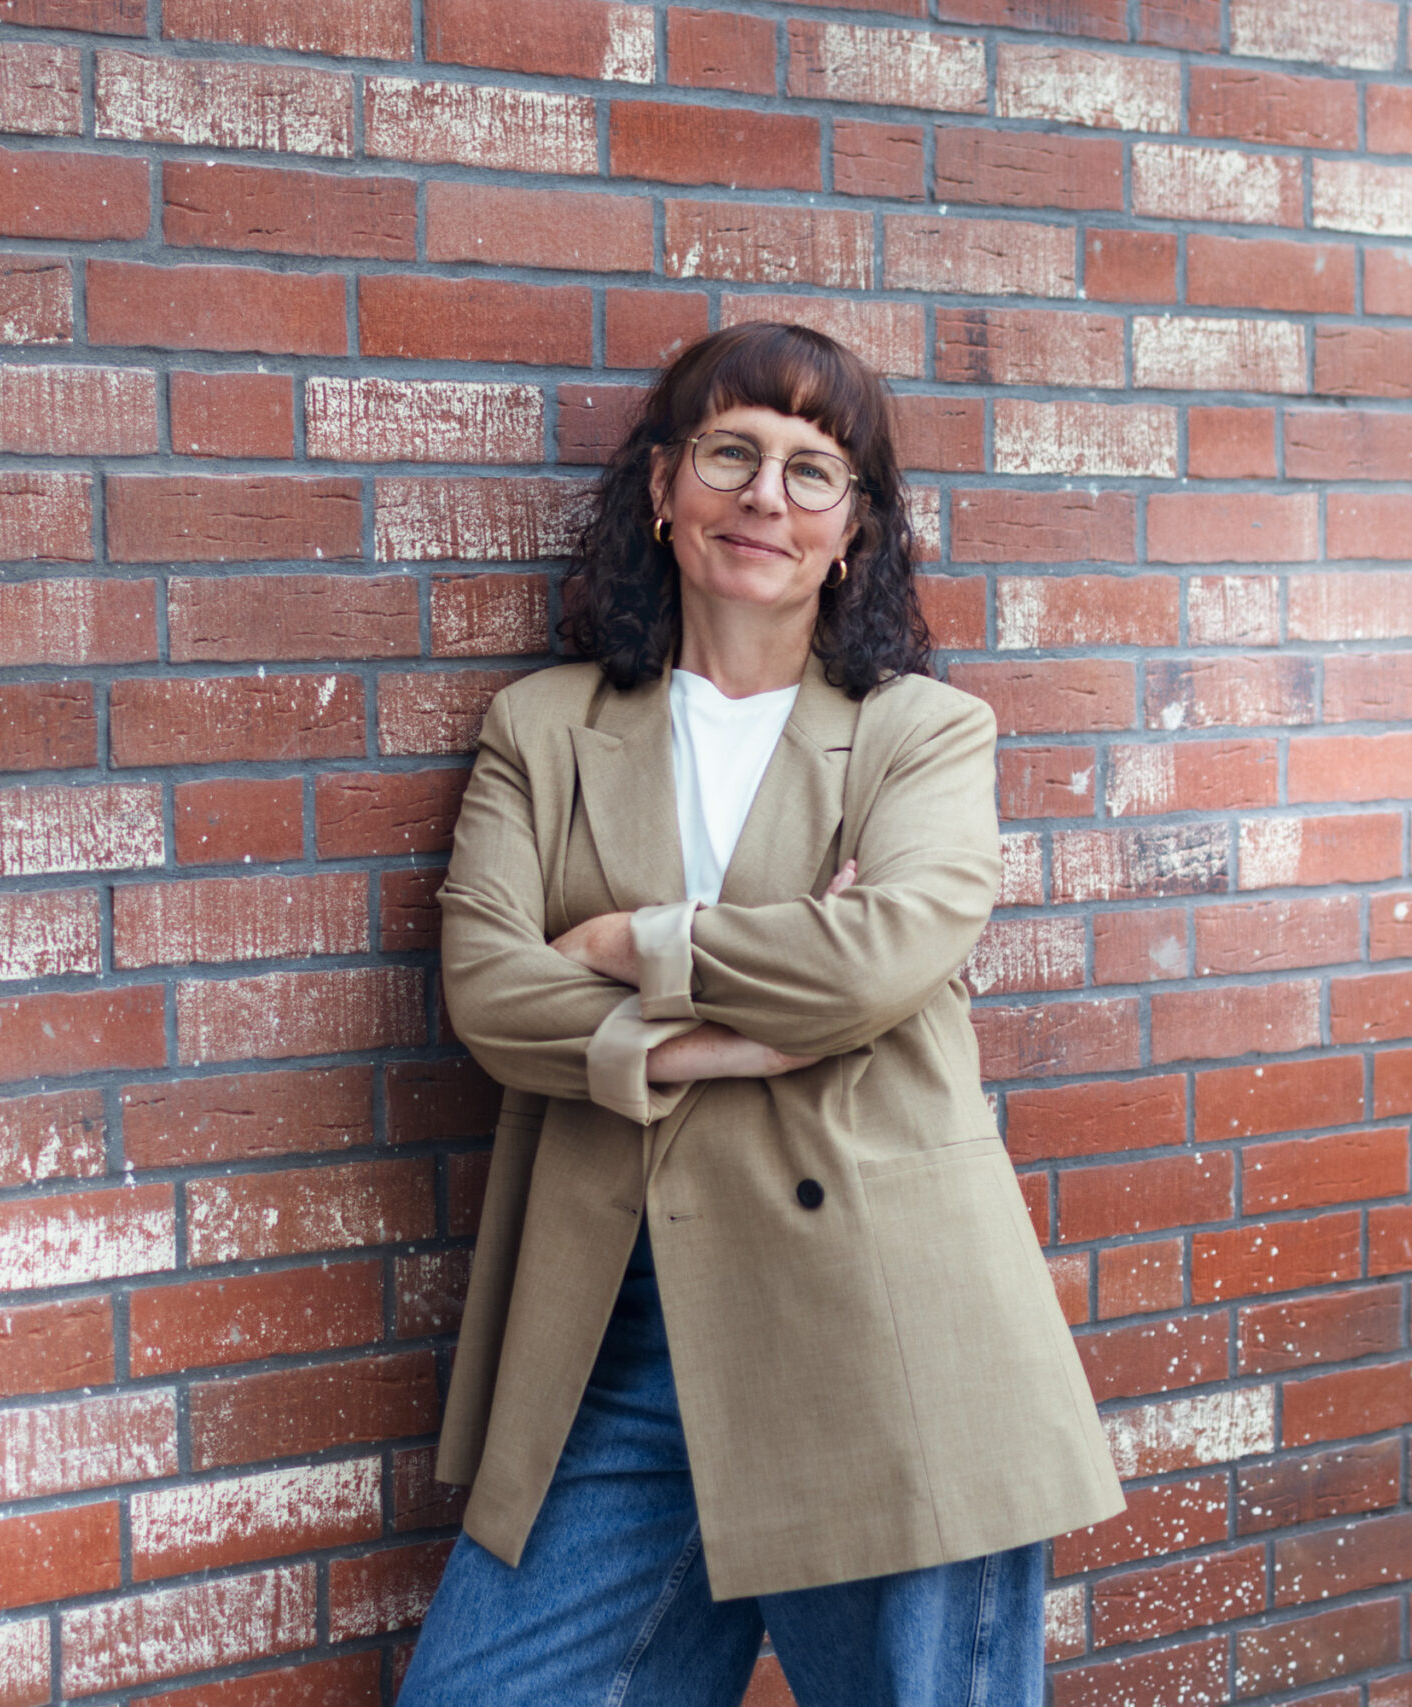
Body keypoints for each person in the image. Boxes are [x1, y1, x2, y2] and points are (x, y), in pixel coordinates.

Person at [400, 322, 1123, 1707]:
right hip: (619, 1339)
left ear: (854, 530)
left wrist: (630, 943)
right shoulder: (541, 728)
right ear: (663, 486)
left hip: (881, 1322)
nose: (765, 498)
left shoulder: (921, 732)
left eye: (812, 469)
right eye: (730, 452)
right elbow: (491, 993)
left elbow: (873, 960)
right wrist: (752, 1030)